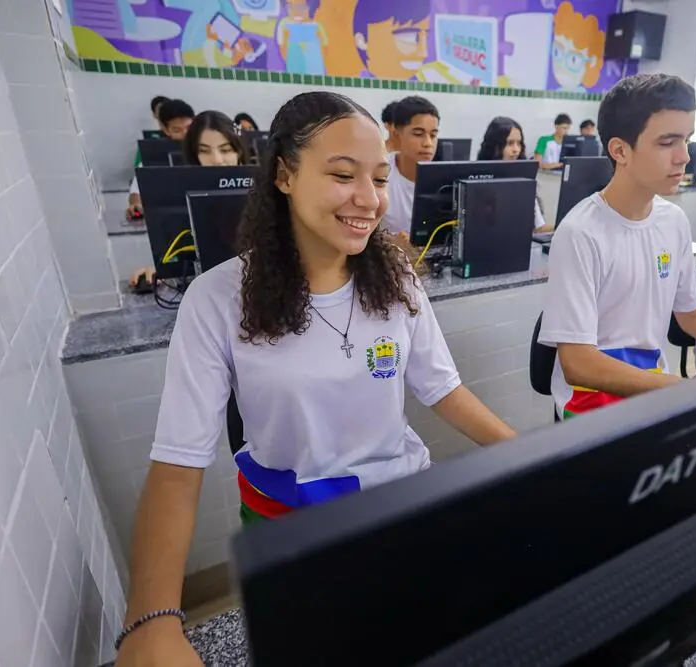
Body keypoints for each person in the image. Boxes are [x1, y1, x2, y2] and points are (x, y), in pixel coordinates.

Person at [114, 91, 515, 667]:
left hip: (401, 509)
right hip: (293, 529)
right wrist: (152, 619)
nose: (368, 198)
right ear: (284, 175)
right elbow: (178, 466)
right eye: (342, 175)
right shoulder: (217, 299)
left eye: (379, 179)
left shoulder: (396, 278)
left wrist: (540, 460)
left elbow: (443, 390)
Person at [538, 73, 696, 419]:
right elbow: (578, 364)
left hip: (650, 388)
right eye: (667, 142)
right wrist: (685, 391)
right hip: (589, 405)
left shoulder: (673, 220)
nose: (684, 157)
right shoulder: (580, 233)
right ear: (620, 150)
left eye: (687, 139)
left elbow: (695, 318)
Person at [128, 111, 248, 290]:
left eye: (226, 150)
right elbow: (175, 251)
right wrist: (163, 269)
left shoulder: (266, 190)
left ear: (239, 152)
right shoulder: (182, 193)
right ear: (194, 155)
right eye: (204, 151)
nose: (217, 160)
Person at [477, 116, 554, 233]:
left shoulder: (525, 181)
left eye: (519, 143)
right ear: (494, 146)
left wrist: (563, 224)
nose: (516, 149)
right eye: (510, 143)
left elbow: (538, 228)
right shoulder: (477, 183)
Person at [379, 95, 439, 237]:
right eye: (418, 134)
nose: (428, 143)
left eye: (433, 135)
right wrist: (391, 242)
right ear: (396, 135)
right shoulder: (379, 174)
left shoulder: (444, 180)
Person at [127, 99, 196, 220]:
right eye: (177, 130)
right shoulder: (155, 155)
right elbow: (136, 191)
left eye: (189, 127)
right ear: (165, 130)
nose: (185, 134)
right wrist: (135, 204)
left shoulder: (206, 148)